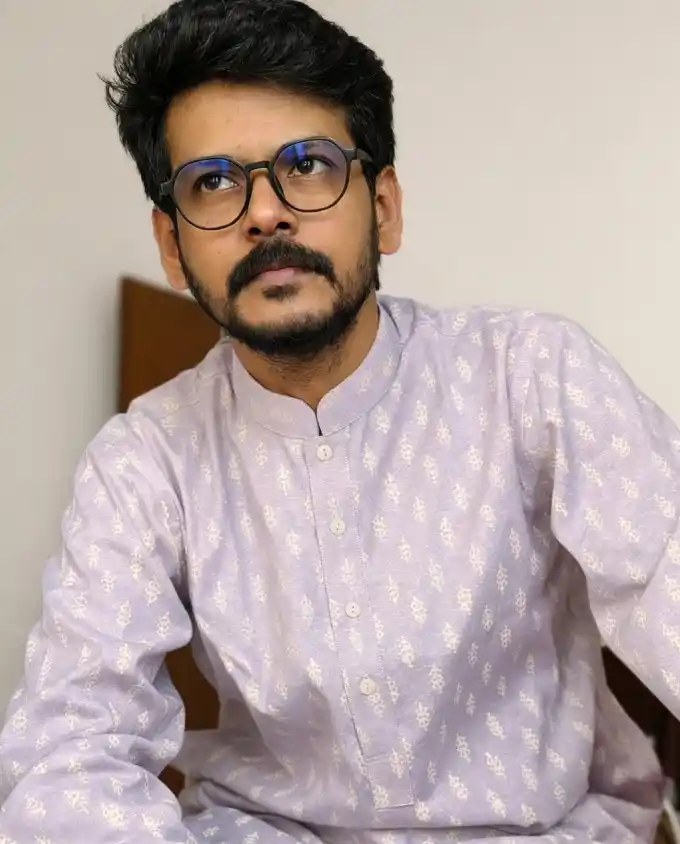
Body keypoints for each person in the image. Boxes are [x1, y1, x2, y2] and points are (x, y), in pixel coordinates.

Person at [1, 1, 679, 842]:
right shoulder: (144, 461)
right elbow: (69, 754)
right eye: (213, 182)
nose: (264, 213)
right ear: (172, 246)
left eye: (308, 165)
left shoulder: (534, 375)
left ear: (383, 207)